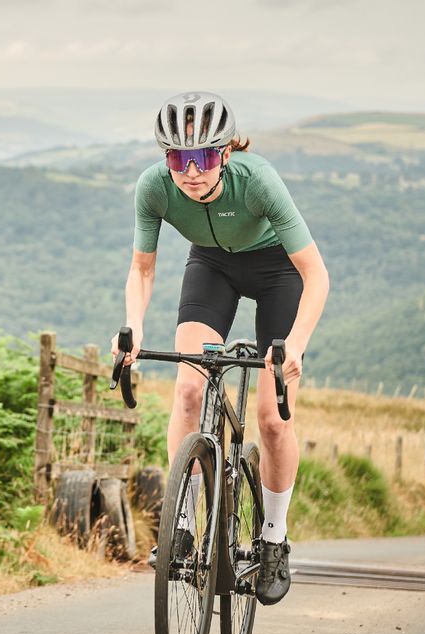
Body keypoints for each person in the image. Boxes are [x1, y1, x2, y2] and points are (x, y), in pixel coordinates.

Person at [112, 91, 329, 605]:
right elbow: (143, 269)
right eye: (177, 159)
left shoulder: (257, 181)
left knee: (274, 420)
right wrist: (133, 329)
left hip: (278, 271)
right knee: (188, 391)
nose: (191, 172)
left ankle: (274, 540)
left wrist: (294, 345)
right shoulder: (154, 189)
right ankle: (182, 522)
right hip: (211, 267)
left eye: (204, 157)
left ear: (226, 152)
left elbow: (316, 275)